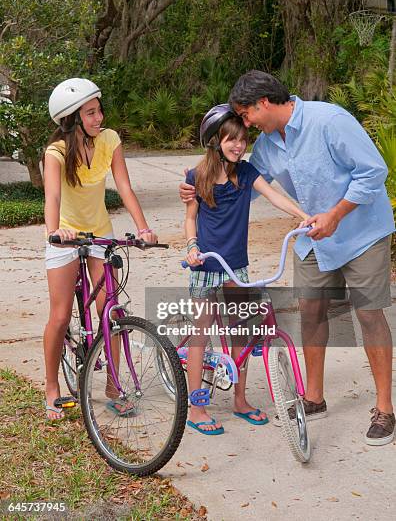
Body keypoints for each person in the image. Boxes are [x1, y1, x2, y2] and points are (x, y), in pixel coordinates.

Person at [181, 70, 395, 445]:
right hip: (313, 238)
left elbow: (374, 172)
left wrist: (336, 214)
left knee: (368, 314)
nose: (244, 125)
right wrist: (198, 191)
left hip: (361, 233)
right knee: (311, 311)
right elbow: (240, 187)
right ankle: (314, 397)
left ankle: (385, 409)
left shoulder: (328, 120)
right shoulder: (265, 146)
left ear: (263, 103)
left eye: (245, 115)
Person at [184, 104, 309, 435]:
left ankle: (240, 400)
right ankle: (196, 408)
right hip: (208, 266)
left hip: (237, 266)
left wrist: (302, 216)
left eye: (242, 139)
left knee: (241, 330)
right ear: (215, 142)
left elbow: (274, 196)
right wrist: (192, 248)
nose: (238, 146)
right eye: (231, 140)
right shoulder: (197, 177)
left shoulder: (247, 173)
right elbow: (190, 219)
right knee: (201, 333)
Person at [43, 78, 157, 420]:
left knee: (111, 308)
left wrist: (143, 228)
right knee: (61, 315)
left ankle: (113, 385)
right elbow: (53, 196)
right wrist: (54, 231)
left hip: (100, 233)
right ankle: (51, 388)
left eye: (98, 110)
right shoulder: (57, 152)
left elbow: (123, 185)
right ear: (72, 119)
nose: (99, 117)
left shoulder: (110, 140)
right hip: (65, 234)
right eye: (90, 113)